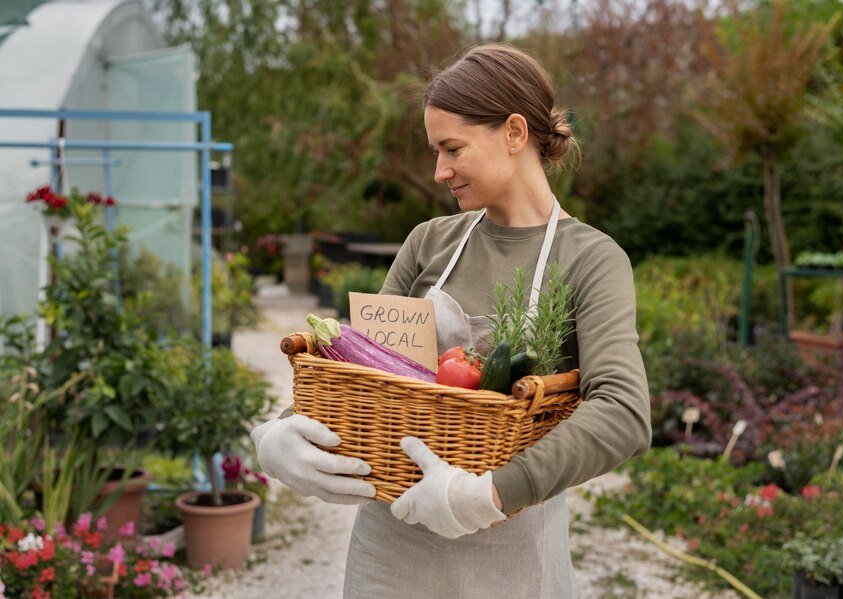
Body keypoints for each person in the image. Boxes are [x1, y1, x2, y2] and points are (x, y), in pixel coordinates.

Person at [251, 42, 651, 598]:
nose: (439, 171)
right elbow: (363, 371)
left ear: (514, 133)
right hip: (391, 553)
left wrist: (485, 495)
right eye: (435, 151)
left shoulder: (590, 259)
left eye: (452, 148)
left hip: (510, 555)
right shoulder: (428, 243)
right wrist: (276, 432)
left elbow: (625, 411)